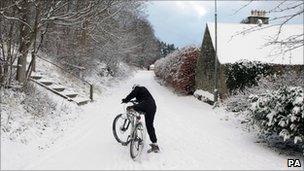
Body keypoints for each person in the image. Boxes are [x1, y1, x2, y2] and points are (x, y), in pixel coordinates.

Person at [122, 84, 160, 153]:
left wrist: (126, 100)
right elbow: (140, 99)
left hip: (146, 104)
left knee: (129, 108)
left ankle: (135, 129)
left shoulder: (139, 88)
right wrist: (136, 101)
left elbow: (133, 94)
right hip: (153, 106)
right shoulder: (144, 93)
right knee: (149, 125)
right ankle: (155, 144)